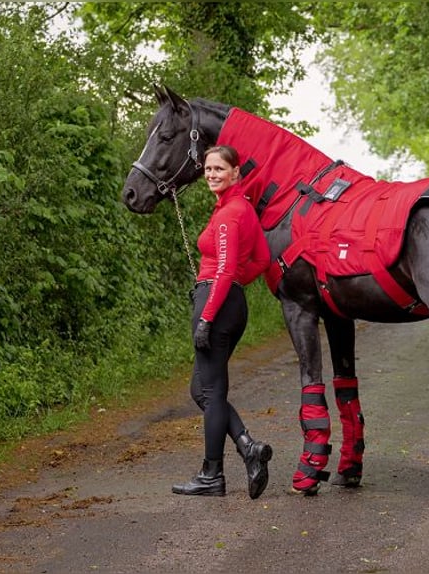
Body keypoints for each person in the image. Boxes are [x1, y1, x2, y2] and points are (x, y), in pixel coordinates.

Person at [172, 145, 273, 499]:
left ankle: (211, 474)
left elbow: (228, 268)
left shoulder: (231, 213)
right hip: (229, 300)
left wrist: (208, 315)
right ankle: (248, 447)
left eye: (219, 169)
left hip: (216, 302)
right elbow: (261, 258)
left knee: (212, 392)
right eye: (208, 169)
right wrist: (232, 287)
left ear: (235, 173)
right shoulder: (238, 209)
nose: (212, 174)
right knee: (201, 390)